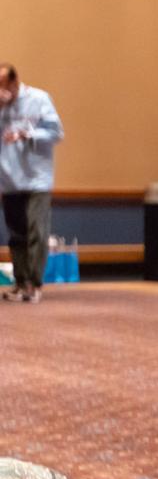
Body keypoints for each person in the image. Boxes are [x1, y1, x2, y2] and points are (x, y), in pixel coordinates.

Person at [0, 63, 64, 304]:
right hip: (9, 178)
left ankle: (34, 284)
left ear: (15, 83)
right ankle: (20, 282)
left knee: (37, 230)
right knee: (16, 234)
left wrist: (29, 134)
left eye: (4, 87)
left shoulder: (39, 99)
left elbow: (57, 132)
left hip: (37, 178)